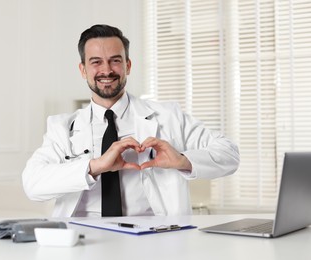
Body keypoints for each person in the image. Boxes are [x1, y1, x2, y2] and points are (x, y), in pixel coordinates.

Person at [22, 24, 240, 217]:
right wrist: (94, 167)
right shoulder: (62, 127)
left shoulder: (168, 117)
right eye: (96, 62)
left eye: (115, 61)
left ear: (128, 65)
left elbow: (229, 154)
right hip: (82, 236)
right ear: (83, 70)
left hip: (151, 236)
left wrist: (182, 160)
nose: (106, 70)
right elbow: (32, 184)